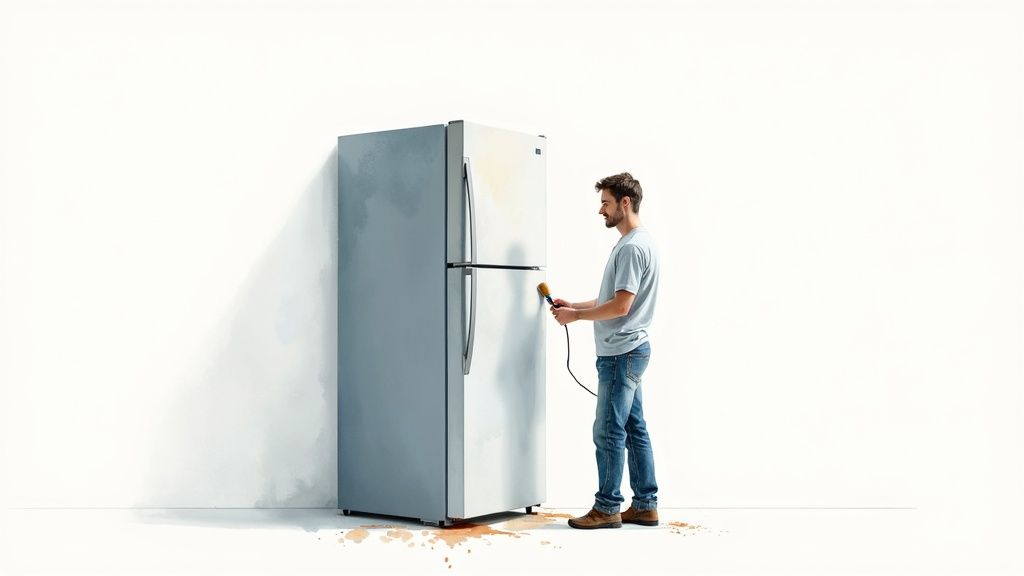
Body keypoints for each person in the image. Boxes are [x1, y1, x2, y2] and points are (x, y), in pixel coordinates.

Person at [551, 172, 661, 530]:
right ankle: (645, 505)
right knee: (634, 427)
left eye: (606, 203)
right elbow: (612, 298)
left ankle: (608, 506)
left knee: (608, 430)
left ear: (624, 203)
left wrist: (577, 317)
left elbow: (621, 307)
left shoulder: (630, 247)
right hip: (633, 349)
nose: (601, 210)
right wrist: (575, 306)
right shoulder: (641, 242)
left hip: (621, 353)